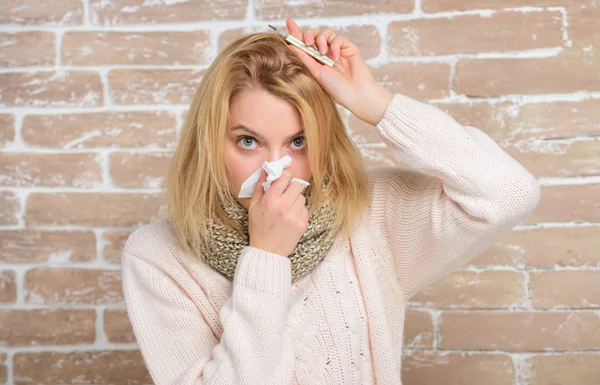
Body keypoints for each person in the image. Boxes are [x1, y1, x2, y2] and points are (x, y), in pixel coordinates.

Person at [121, 18, 540, 385]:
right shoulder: (157, 257)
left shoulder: (371, 214)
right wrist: (266, 258)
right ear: (211, 142)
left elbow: (509, 192)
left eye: (298, 141)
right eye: (248, 141)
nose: (276, 169)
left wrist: (374, 103)